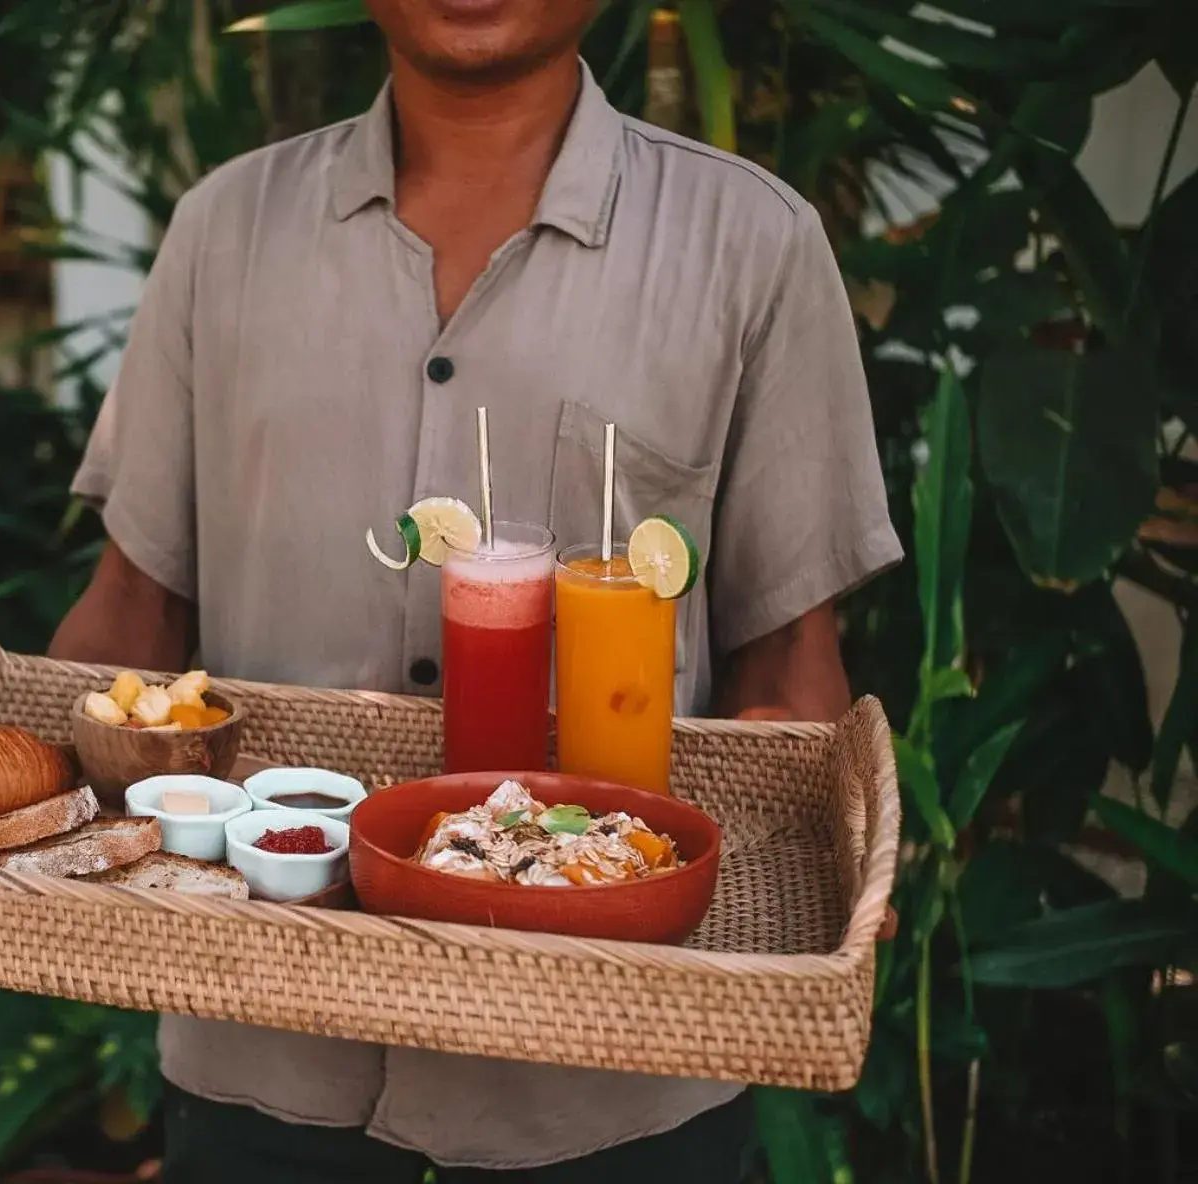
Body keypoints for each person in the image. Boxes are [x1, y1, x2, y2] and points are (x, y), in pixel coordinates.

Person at [49, 0, 901, 1179]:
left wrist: (827, 858)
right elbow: (133, 621)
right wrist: (23, 803)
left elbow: (789, 669)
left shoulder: (751, 243)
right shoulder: (224, 231)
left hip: (613, 1072)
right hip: (268, 1043)